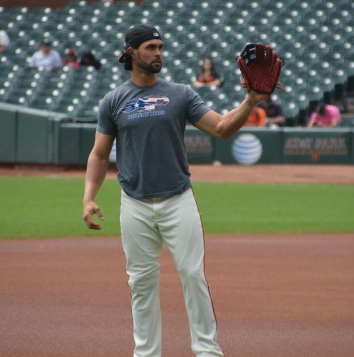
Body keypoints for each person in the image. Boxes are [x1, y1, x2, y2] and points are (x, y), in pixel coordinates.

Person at [82, 24, 269, 357]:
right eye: (151, 47)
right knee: (140, 284)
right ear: (131, 53)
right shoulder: (113, 101)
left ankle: (208, 352)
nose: (158, 53)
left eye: (160, 47)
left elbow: (222, 128)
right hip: (134, 204)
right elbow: (98, 154)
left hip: (177, 200)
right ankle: (146, 354)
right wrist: (88, 197)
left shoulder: (180, 93)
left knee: (193, 276)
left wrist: (251, 100)